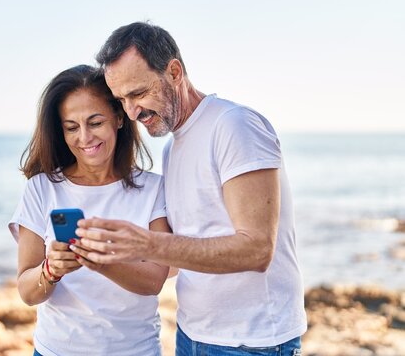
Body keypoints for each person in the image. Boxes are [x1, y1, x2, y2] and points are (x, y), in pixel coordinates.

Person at [71, 22, 307, 355]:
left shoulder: (234, 126)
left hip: (252, 342)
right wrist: (108, 256)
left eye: (138, 93)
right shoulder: (172, 147)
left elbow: (257, 250)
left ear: (175, 72)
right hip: (191, 335)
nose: (132, 111)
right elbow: (191, 247)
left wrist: (150, 243)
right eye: (122, 99)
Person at [8, 64, 170, 356]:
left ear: (119, 118)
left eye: (95, 123)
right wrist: (51, 269)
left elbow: (155, 281)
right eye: (72, 127)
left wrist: (96, 259)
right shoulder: (42, 188)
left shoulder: (153, 189)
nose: (84, 138)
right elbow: (27, 293)